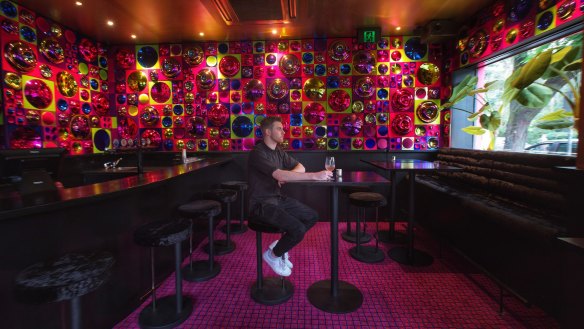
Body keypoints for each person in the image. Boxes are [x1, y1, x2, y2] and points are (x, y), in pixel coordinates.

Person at [247, 116, 332, 276]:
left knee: (311, 216)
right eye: (279, 128)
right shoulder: (257, 153)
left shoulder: (278, 151)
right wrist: (314, 176)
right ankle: (272, 256)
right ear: (267, 131)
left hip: (277, 199)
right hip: (260, 205)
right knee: (298, 228)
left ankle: (278, 247)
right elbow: (279, 174)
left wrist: (285, 177)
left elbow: (300, 167)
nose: (283, 131)